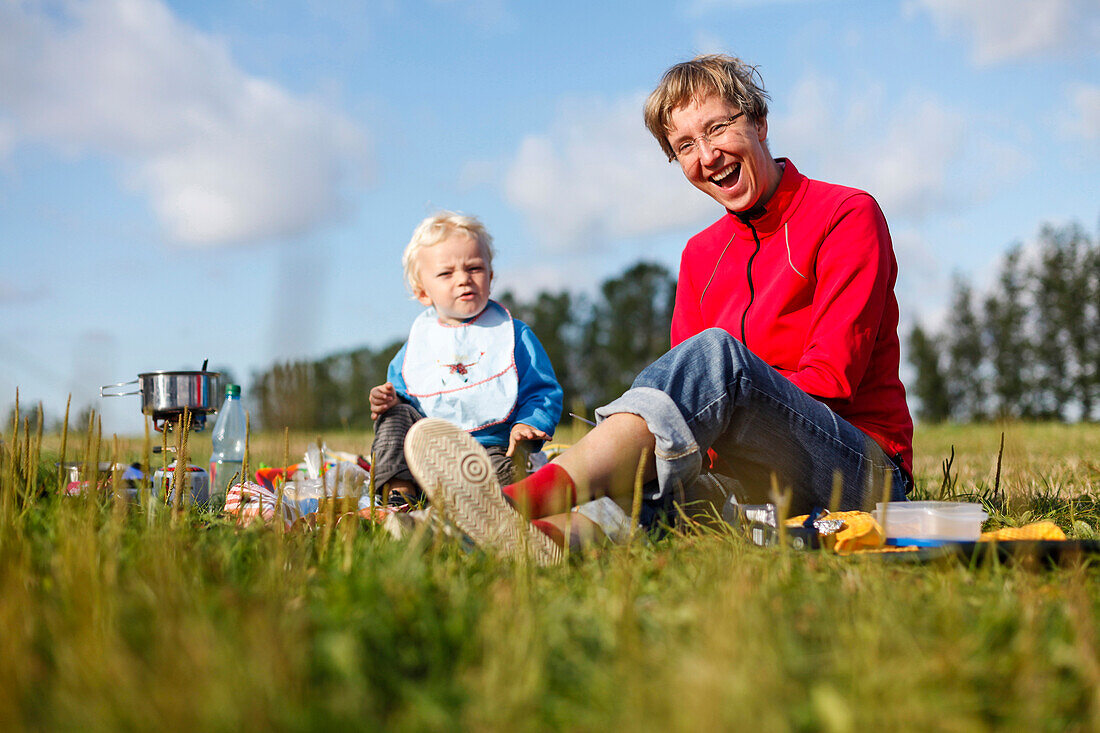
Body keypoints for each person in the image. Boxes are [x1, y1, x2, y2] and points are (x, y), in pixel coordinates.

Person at [403, 55, 913, 561]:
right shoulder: (700, 255)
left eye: (717, 128)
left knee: (716, 359)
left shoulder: (845, 214)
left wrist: (709, 417)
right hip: (760, 479)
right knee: (654, 482)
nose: (707, 155)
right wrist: (661, 454)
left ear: (759, 121)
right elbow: (684, 406)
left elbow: (830, 381)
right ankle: (490, 540)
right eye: (685, 145)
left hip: (859, 472)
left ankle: (511, 503)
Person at [369, 211, 564, 505]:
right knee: (394, 417)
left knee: (509, 482)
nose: (463, 279)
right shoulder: (419, 344)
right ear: (423, 292)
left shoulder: (512, 335)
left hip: (491, 452)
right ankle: (400, 496)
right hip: (424, 460)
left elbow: (543, 391)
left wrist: (528, 424)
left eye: (474, 268)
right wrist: (386, 400)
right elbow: (403, 398)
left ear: (491, 276)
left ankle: (488, 510)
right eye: (446, 273)